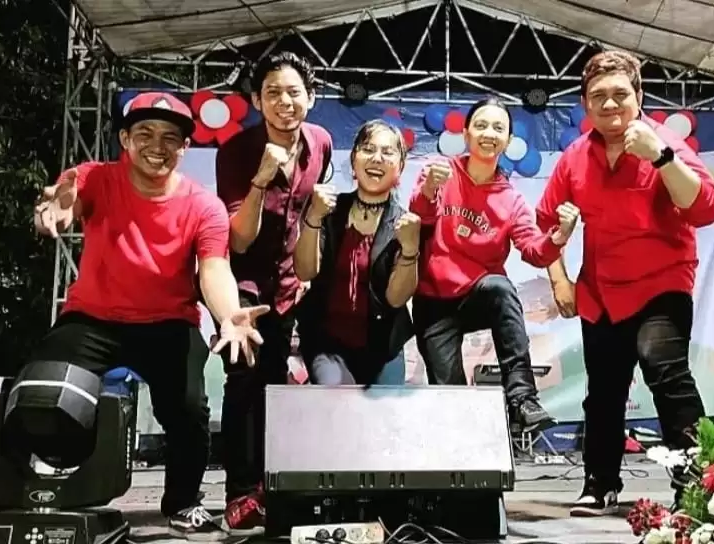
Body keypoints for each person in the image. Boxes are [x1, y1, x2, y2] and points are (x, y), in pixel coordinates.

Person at [31, 92, 265, 539]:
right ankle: (35, 494)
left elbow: (214, 268)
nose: (157, 146)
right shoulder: (94, 177)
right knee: (41, 389)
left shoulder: (204, 205)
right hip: (93, 317)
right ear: (125, 139)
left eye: (170, 138)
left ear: (185, 148)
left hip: (168, 323)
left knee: (189, 410)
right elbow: (63, 205)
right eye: (145, 134)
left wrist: (229, 314)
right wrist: (53, 214)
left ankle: (182, 504)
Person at [536, 51, 714, 517]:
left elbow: (705, 209)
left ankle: (697, 487)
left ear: (639, 96)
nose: (610, 104)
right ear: (584, 103)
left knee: (666, 373)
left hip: (662, 284)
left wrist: (661, 158)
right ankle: (600, 484)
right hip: (600, 293)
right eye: (598, 96)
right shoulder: (575, 158)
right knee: (603, 392)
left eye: (620, 94)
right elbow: (544, 227)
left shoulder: (664, 142)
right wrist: (560, 280)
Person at [213, 51, 332, 534]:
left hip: (285, 286)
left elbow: (307, 212)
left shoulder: (321, 142)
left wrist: (303, 270)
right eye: (273, 93)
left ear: (311, 98)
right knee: (243, 377)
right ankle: (239, 493)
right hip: (239, 283)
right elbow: (239, 239)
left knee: (273, 384)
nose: (285, 102)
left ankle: (268, 485)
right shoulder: (235, 152)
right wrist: (261, 178)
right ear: (257, 101)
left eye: (294, 92)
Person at [409, 97, 580, 433]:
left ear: (508, 140)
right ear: (466, 133)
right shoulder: (440, 171)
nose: (489, 133)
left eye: (498, 128)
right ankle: (459, 457)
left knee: (500, 288)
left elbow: (534, 250)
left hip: (477, 295)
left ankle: (522, 399)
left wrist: (559, 235)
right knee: (450, 398)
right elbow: (420, 216)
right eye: (481, 125)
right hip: (433, 301)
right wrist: (429, 189)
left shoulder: (511, 199)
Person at [293, 120, 419, 384]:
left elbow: (396, 299)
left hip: (383, 347)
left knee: (385, 409)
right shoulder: (327, 210)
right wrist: (313, 217)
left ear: (400, 166)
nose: (377, 158)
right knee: (336, 396)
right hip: (326, 343)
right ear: (353, 159)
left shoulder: (405, 224)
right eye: (368, 149)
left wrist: (410, 250)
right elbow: (304, 271)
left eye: (387, 152)